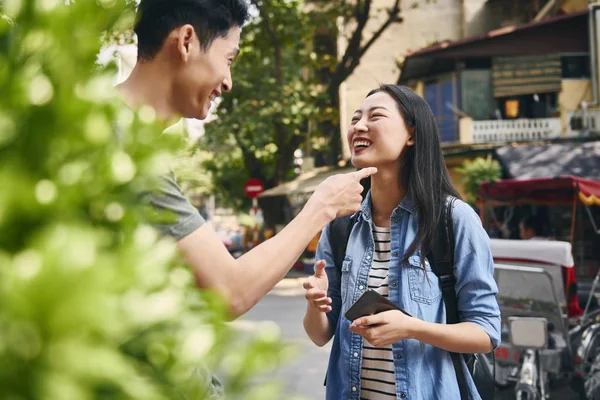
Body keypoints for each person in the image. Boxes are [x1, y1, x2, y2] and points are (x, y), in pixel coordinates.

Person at [117, 0, 377, 318]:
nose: (228, 82)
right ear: (186, 41)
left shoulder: (104, 127)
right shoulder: (124, 148)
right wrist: (323, 205)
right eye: (228, 60)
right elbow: (229, 292)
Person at [302, 85, 500, 399]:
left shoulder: (453, 220)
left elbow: (486, 332)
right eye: (355, 119)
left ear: (412, 135)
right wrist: (316, 306)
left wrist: (410, 328)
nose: (359, 126)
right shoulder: (341, 225)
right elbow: (320, 335)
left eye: (375, 116)